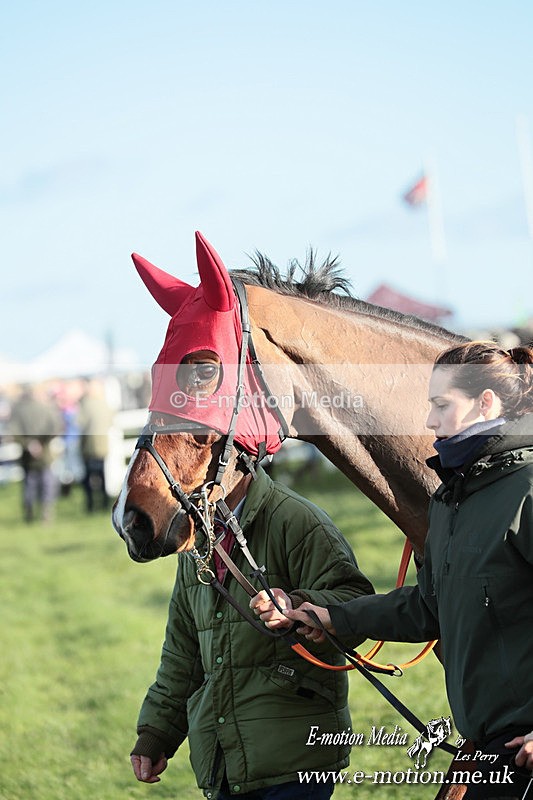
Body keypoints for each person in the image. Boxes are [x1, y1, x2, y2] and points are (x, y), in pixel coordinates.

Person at [257, 341, 533, 800]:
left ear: (486, 403)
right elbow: (428, 607)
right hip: (491, 753)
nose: (429, 421)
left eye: (442, 405)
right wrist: (331, 617)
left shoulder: (527, 489)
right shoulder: (449, 501)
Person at [130, 463, 375, 799]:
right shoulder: (194, 536)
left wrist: (298, 605)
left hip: (295, 756)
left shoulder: (296, 518)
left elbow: (357, 602)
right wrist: (157, 733)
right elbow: (182, 655)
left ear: (237, 457)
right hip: (225, 761)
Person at [7, 384, 62, 522]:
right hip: (46, 453)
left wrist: (29, 444)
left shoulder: (19, 410)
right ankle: (46, 512)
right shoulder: (47, 408)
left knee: (29, 484)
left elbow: (14, 431)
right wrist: (42, 443)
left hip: (27, 455)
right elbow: (56, 426)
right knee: (47, 483)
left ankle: (29, 513)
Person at [77, 378, 114, 512]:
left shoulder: (86, 404)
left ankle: (91, 504)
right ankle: (104, 502)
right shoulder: (104, 403)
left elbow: (80, 422)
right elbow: (111, 421)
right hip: (102, 444)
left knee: (88, 475)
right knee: (101, 474)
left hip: (88, 444)